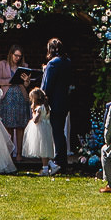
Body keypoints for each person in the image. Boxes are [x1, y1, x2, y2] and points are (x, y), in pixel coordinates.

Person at [39, 37, 78, 168]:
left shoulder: (52, 63)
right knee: (60, 131)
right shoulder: (67, 61)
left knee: (56, 132)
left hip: (54, 102)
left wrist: (42, 98)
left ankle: (58, 161)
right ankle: (62, 159)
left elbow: (47, 85)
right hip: (65, 100)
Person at [0, 45, 32, 149]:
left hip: (20, 97)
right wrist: (10, 81)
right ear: (11, 54)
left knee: (20, 126)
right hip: (7, 98)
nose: (17, 58)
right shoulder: (2, 64)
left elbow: (26, 85)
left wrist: (26, 81)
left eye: (20, 56)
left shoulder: (24, 66)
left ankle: (19, 153)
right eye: (16, 55)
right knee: (9, 126)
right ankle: (11, 153)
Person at [21, 87, 57, 173]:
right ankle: (52, 165)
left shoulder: (39, 108)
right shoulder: (47, 106)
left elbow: (36, 120)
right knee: (45, 148)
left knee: (43, 149)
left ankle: (45, 169)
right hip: (47, 127)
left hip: (40, 129)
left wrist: (34, 117)